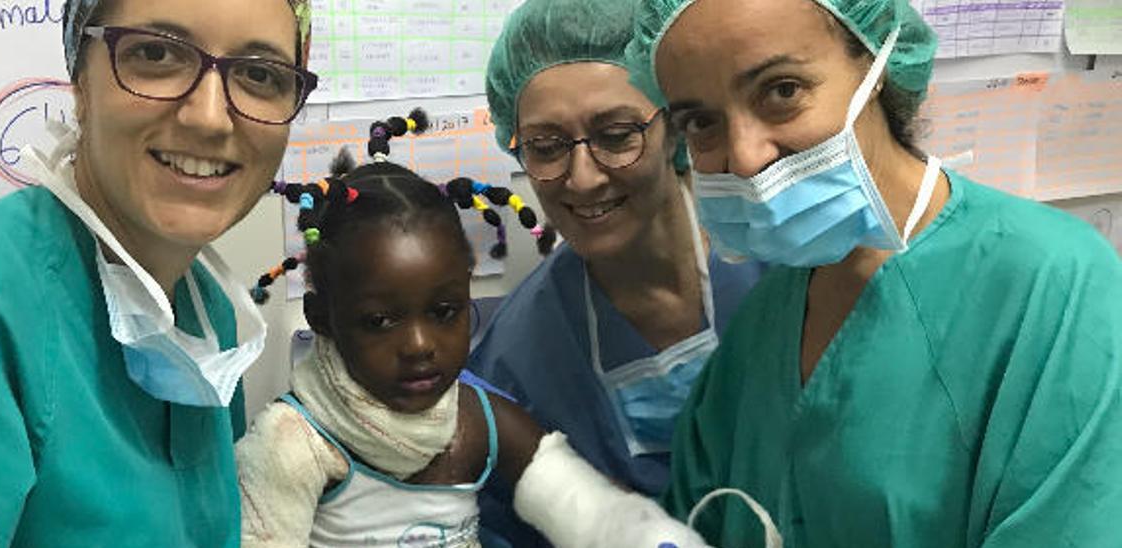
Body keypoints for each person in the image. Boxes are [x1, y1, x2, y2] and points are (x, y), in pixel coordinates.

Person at [627, 0, 1122, 545]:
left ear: (877, 64)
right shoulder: (768, 314)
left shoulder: (1053, 286)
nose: (744, 158)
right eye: (700, 122)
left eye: (782, 90)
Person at [0, 0, 314, 545]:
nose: (209, 116)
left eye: (261, 74)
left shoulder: (206, 320)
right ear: (80, 81)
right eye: (155, 54)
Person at [235, 119, 736, 548]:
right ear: (323, 319)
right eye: (380, 321)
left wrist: (647, 536)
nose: (419, 345)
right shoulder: (293, 444)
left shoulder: (470, 417)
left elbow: (587, 509)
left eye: (445, 310)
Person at [469, 0, 763, 544]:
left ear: (675, 125)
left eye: (617, 134)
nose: (581, 179)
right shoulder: (516, 364)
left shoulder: (787, 271)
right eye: (547, 146)